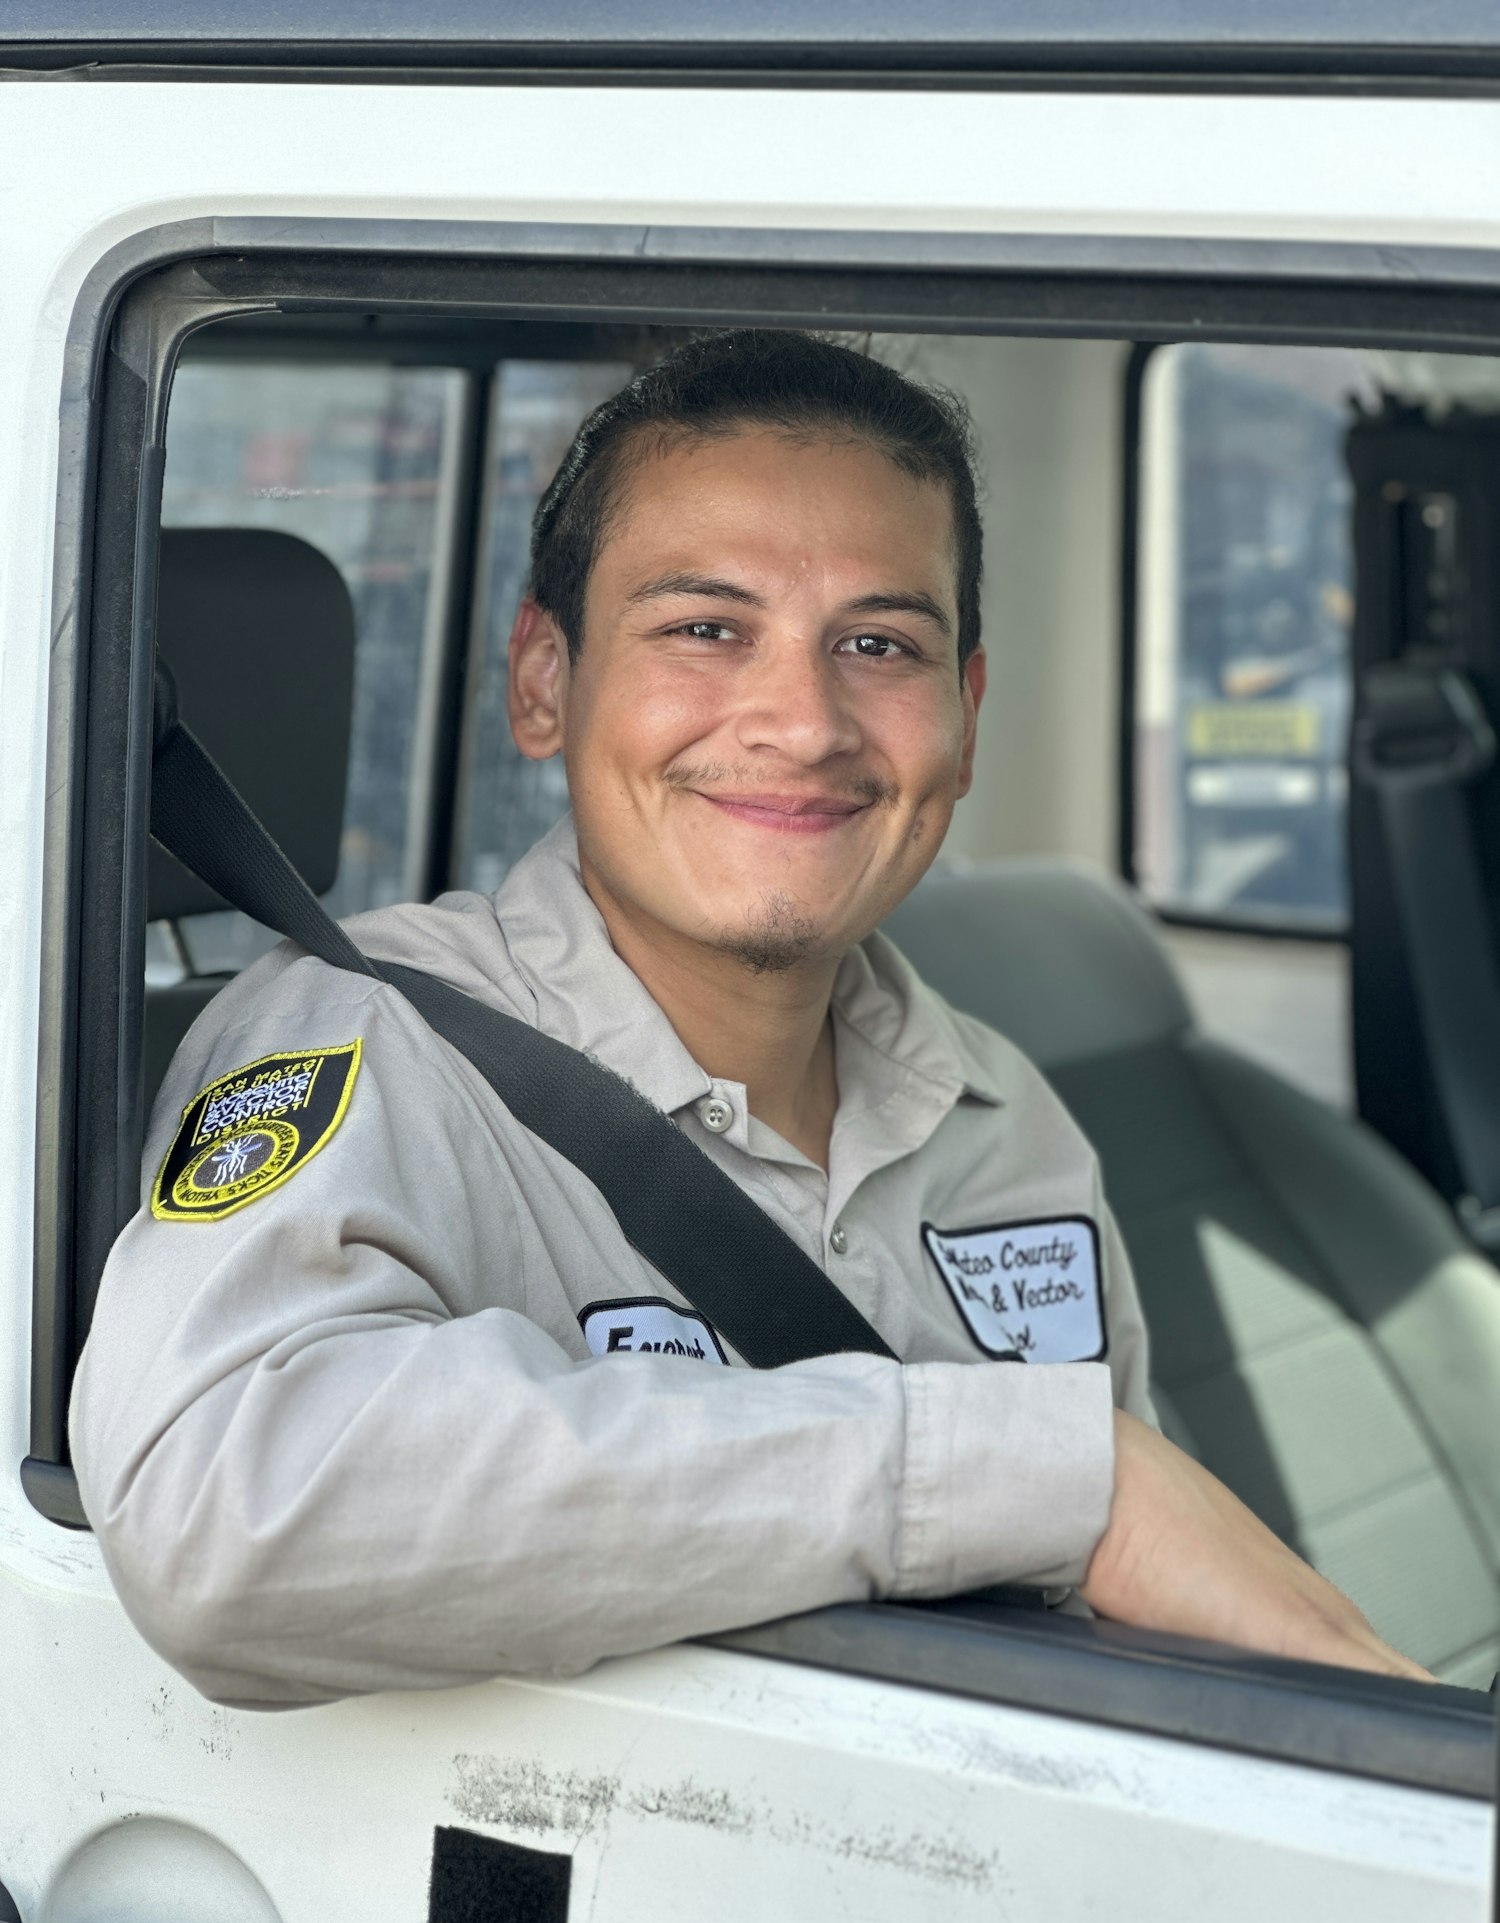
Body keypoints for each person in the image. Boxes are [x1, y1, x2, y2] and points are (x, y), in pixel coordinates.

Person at [71, 330, 1426, 1707]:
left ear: (961, 717)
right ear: (545, 682)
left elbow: (1126, 1631)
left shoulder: (1003, 1113)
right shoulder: (367, 1046)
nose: (805, 720)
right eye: (706, 628)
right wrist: (1023, 1475)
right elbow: (226, 1515)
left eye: (879, 644)